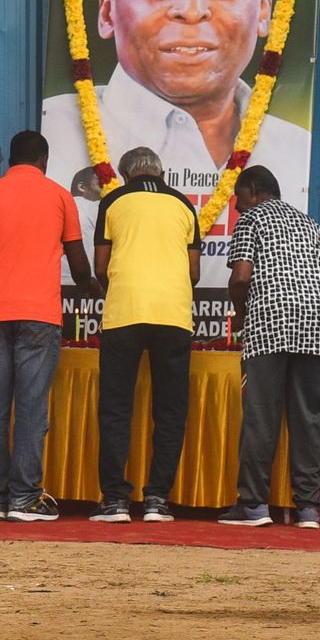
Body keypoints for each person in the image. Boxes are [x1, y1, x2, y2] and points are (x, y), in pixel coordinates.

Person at [40, 0, 312, 285]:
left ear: (263, 9)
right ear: (107, 11)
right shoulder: (57, 136)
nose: (190, 10)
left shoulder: (293, 152)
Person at [0, 130, 95, 522]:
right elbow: (79, 262)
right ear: (44, 162)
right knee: (32, 408)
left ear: (9, 161)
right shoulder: (59, 196)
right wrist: (90, 287)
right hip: (39, 315)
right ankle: (24, 499)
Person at [217, 165, 320, 529]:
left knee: (261, 414)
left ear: (254, 190)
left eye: (240, 200)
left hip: (269, 322)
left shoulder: (252, 220)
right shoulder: (308, 223)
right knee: (308, 418)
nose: (239, 209)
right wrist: (306, 296)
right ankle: (308, 509)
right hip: (315, 323)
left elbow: (241, 277)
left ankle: (254, 506)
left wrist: (241, 313)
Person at [89, 148, 199, 524]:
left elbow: (100, 267)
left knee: (116, 408)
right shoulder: (184, 204)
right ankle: (157, 501)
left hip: (124, 313)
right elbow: (194, 272)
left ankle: (116, 501)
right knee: (170, 411)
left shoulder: (114, 201)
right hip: (173, 315)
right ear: (160, 172)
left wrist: (122, 286)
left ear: (124, 173)